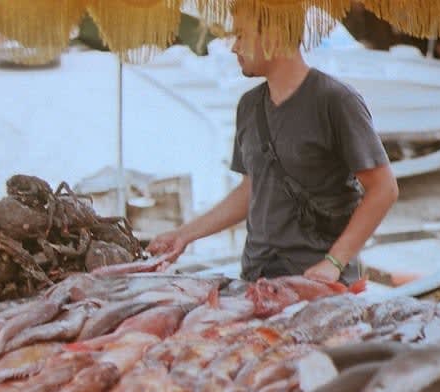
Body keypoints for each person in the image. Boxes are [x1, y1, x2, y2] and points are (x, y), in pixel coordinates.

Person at [148, 3, 398, 283]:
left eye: (241, 35)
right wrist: (183, 235)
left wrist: (334, 262)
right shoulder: (248, 106)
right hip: (257, 279)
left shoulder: (336, 101)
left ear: (273, 35)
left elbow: (384, 189)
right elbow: (251, 190)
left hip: (318, 283)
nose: (234, 47)